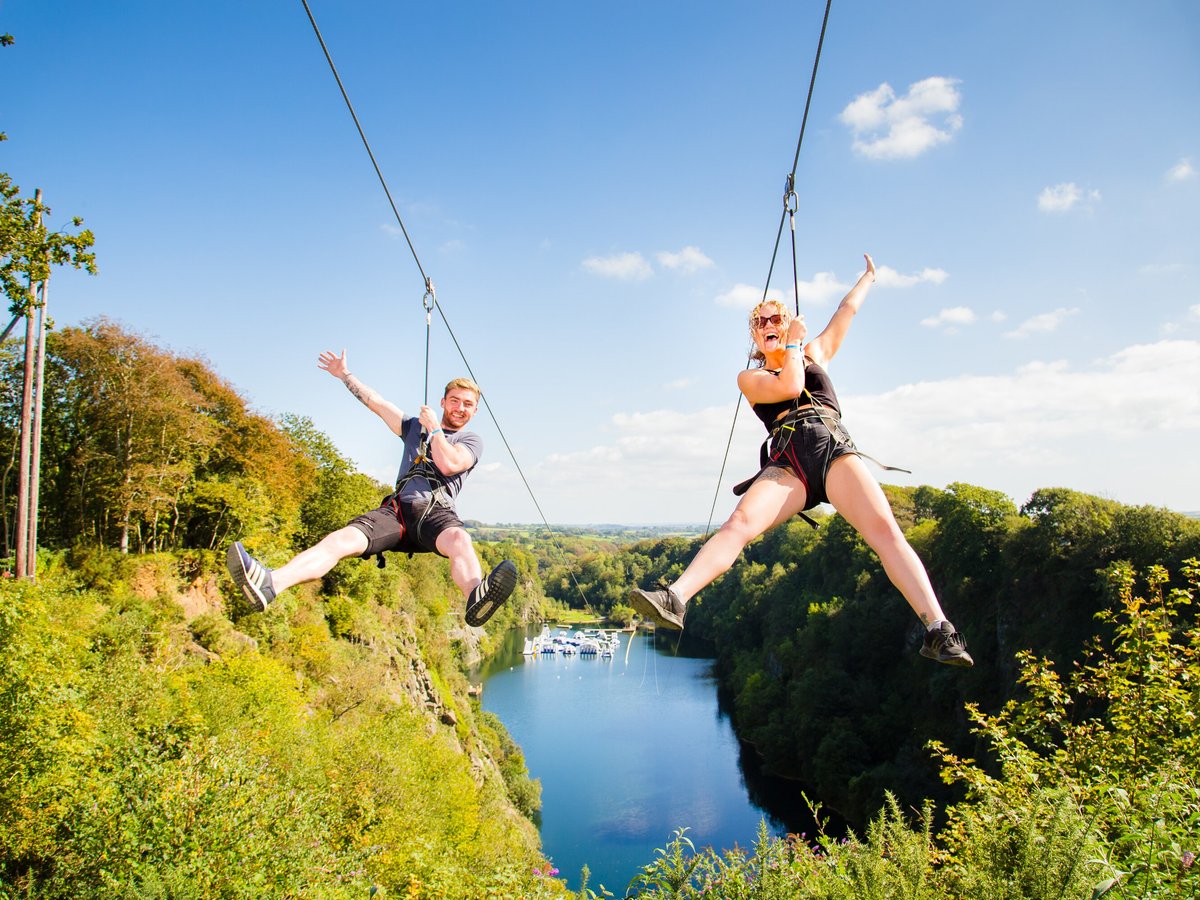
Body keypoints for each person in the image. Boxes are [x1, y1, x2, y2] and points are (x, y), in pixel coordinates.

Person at [629, 254, 972, 666]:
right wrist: (792, 343)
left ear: (787, 321)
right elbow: (791, 383)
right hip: (789, 460)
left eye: (776, 319)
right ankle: (676, 597)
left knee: (884, 531)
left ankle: (938, 629)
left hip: (832, 448)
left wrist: (869, 278)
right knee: (739, 524)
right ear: (754, 337)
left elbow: (847, 311)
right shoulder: (752, 377)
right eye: (762, 323)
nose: (770, 326)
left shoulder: (814, 353)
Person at [226, 350, 517, 627]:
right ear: (443, 402)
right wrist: (345, 375)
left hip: (435, 514)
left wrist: (436, 431)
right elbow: (375, 402)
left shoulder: (471, 441)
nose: (460, 408)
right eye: (455, 401)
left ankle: (474, 597)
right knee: (340, 540)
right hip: (398, 513)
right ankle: (270, 584)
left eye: (467, 404)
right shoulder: (413, 426)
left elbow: (450, 464)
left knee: (459, 540)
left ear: (475, 410)